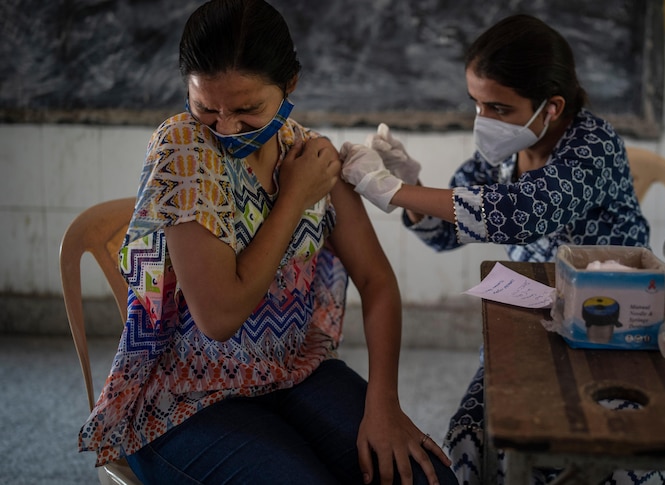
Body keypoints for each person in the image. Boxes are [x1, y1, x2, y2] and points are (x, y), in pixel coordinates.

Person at [77, 1, 458, 484]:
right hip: (183, 396)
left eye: (247, 109)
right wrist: (294, 196)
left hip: (291, 371)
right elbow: (220, 317)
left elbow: (376, 280)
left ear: (289, 85)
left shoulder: (309, 154)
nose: (226, 127)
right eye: (205, 106)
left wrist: (384, 406)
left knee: (426, 478)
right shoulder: (183, 148)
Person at [341, 13, 665, 485]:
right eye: (477, 104)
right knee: (472, 437)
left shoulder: (594, 146)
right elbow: (447, 233)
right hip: (530, 332)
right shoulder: (501, 155)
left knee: (605, 451)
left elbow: (522, 214)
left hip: (612, 336)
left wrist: (390, 191)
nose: (483, 121)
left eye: (499, 108)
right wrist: (412, 183)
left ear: (551, 107)